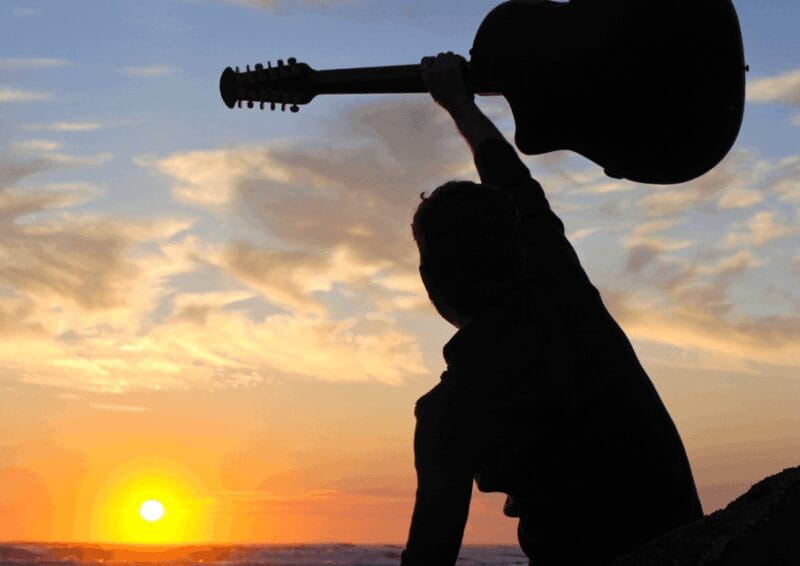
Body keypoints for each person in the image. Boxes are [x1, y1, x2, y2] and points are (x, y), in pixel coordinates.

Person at [400, 52, 704, 566]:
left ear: (431, 285)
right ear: (520, 251)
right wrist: (459, 104)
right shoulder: (562, 294)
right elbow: (512, 180)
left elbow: (431, 554)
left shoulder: (450, 412)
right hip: (691, 549)